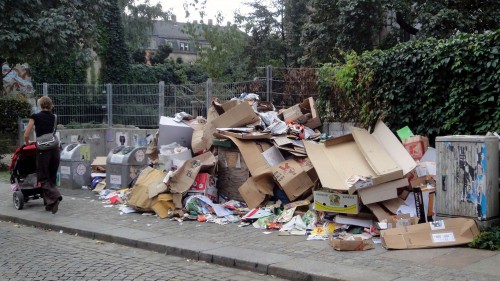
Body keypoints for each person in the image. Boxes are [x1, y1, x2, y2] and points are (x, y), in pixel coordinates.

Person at [24, 96, 62, 214]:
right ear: (50, 105)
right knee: (51, 176)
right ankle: (49, 204)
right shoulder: (54, 117)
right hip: (55, 149)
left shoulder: (35, 117)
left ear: (40, 105)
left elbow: (26, 134)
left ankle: (55, 196)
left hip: (43, 150)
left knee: (43, 177)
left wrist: (27, 143)